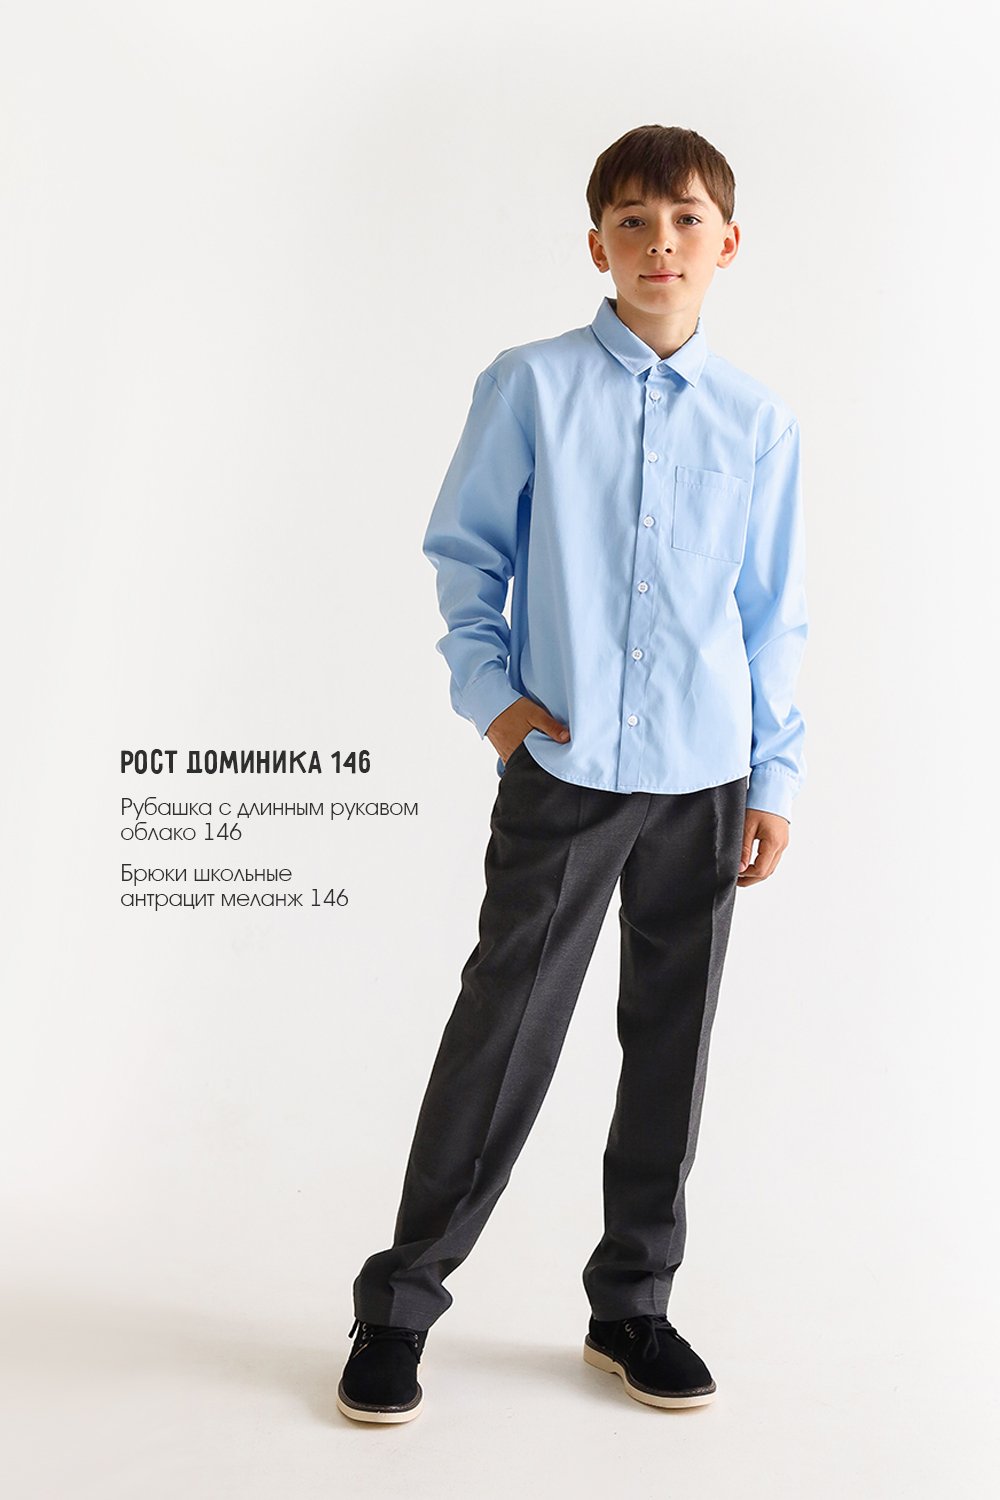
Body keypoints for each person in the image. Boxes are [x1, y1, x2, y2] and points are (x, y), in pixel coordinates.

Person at [337, 122, 808, 1423]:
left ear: (727, 243)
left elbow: (774, 615)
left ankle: (633, 1306)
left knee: (673, 1042)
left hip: (707, 776)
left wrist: (773, 779)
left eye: (687, 219)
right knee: (504, 1032)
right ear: (596, 244)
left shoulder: (760, 421)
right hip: (566, 765)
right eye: (635, 220)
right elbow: (465, 556)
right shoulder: (531, 385)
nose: (662, 242)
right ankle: (399, 1305)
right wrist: (496, 708)